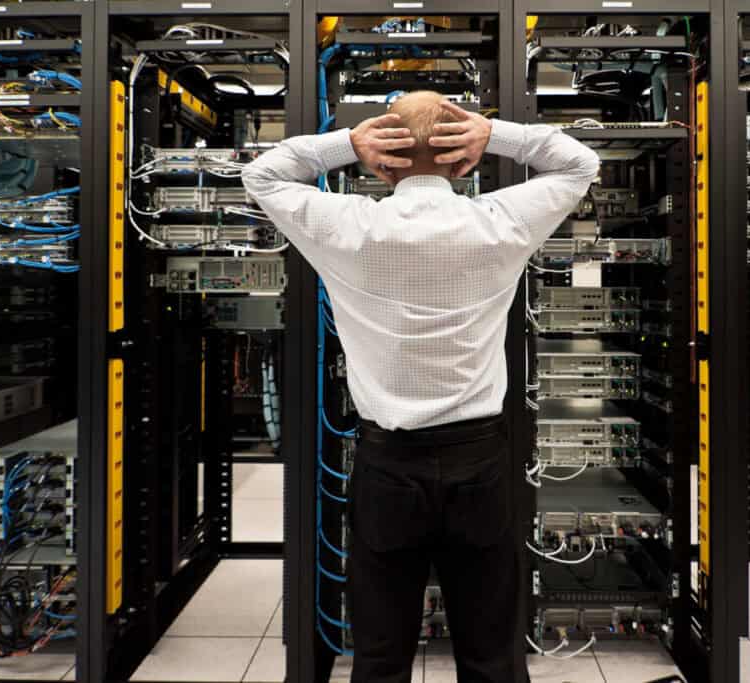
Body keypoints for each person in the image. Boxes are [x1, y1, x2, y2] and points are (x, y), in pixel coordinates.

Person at [242, 91, 599, 683]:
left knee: (381, 656)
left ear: (382, 162)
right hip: (481, 463)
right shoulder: (500, 220)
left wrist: (346, 145)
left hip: (388, 466)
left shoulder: (348, 225)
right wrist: (497, 133)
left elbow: (264, 173)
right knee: (491, 655)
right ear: (466, 161)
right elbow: (579, 162)